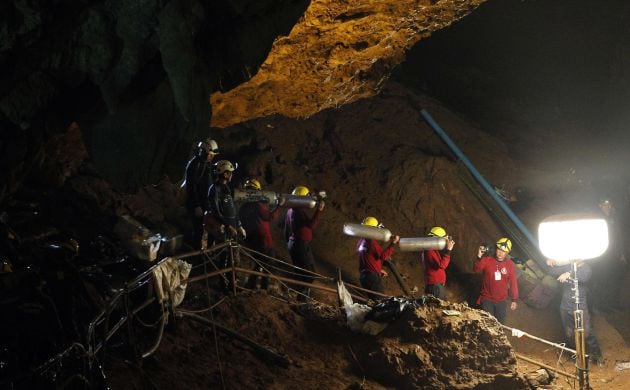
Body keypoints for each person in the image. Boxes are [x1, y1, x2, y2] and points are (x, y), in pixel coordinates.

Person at [546, 259, 604, 367]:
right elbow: (551, 272)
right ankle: (575, 356)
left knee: (587, 333)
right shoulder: (568, 266)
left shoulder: (586, 269)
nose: (574, 259)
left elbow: (583, 277)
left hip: (580, 306)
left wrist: (569, 273)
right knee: (569, 333)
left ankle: (597, 356)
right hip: (565, 306)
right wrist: (551, 263)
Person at [206, 160, 246, 288]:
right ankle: (223, 284)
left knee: (234, 258)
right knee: (223, 257)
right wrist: (228, 226)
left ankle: (233, 284)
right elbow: (216, 212)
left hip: (232, 228)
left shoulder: (226, 188)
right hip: (223, 230)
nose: (231, 175)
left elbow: (232, 209)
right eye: (230, 173)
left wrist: (239, 225)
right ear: (224, 174)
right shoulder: (214, 189)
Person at [239, 178, 283, 290]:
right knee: (268, 265)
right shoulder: (258, 205)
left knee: (259, 263)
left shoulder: (243, 207)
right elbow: (269, 217)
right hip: (264, 240)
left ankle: (252, 285)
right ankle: (262, 288)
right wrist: (279, 206)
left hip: (252, 240)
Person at [284, 185, 324, 301]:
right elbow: (311, 225)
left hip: (294, 244)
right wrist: (319, 211)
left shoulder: (290, 210)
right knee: (309, 274)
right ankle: (302, 298)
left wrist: (289, 243)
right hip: (300, 244)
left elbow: (286, 230)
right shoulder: (298, 211)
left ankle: (301, 297)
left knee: (303, 272)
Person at [183, 138, 219, 250]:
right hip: (197, 204)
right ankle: (196, 256)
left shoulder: (205, 164)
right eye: (211, 154)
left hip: (204, 204)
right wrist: (196, 205)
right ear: (205, 152)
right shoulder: (195, 165)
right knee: (198, 230)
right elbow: (191, 187)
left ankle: (206, 253)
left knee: (208, 230)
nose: (212, 157)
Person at [473, 237, 519, 324]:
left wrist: (514, 299)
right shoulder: (487, 260)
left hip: (501, 300)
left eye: (504, 251)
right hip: (487, 299)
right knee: (487, 324)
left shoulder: (510, 265)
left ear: (508, 252)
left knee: (500, 326)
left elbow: (513, 283)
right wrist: (479, 257)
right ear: (496, 248)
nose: (501, 253)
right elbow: (476, 269)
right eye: (499, 249)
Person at [357, 217, 400, 300]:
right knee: (381, 301)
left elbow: (367, 258)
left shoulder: (361, 241)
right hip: (371, 277)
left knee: (375, 302)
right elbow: (383, 256)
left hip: (364, 276)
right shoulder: (372, 243)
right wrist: (393, 243)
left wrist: (378, 269)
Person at [421, 226, 455, 300]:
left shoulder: (431, 250)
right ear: (437, 239)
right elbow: (442, 265)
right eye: (443, 240)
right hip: (435, 287)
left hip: (435, 286)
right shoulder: (429, 250)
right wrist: (448, 250)